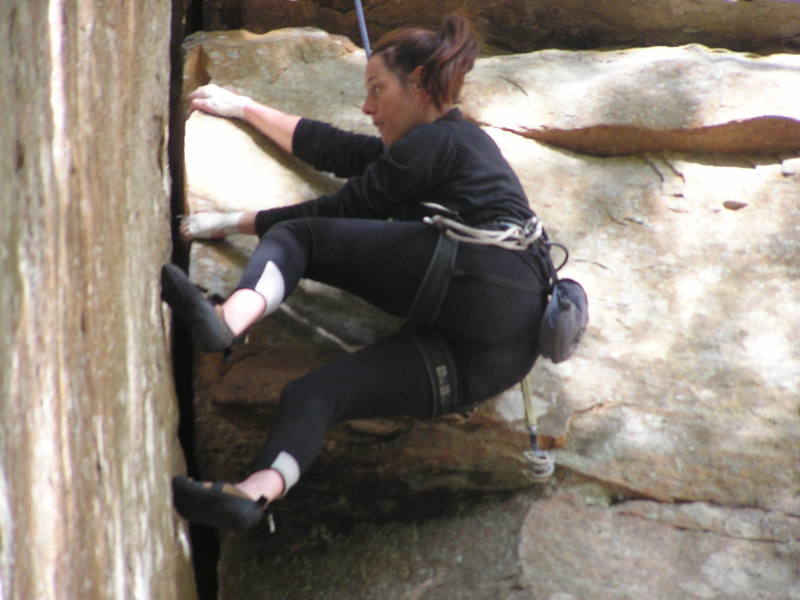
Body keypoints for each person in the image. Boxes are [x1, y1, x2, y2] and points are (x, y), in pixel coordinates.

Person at [164, 14, 555, 533]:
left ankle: (227, 319)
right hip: (497, 356)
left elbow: (351, 204)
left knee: (299, 234)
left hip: (484, 271)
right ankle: (253, 493)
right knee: (316, 396)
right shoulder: (435, 150)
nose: (368, 108)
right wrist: (245, 108)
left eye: (377, 89)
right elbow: (338, 150)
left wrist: (235, 223)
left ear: (417, 83)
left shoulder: (446, 139)